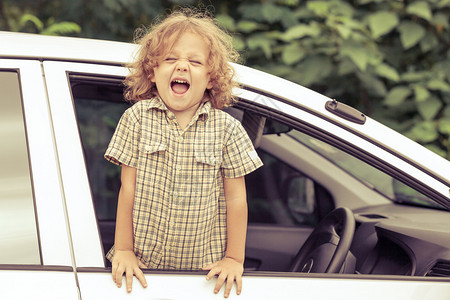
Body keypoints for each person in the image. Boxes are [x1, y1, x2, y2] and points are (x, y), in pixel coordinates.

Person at [104, 8, 263, 298]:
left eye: (195, 61)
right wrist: (124, 250)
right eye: (170, 58)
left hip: (201, 276)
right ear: (152, 72)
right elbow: (128, 189)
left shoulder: (227, 129)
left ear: (212, 78)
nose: (182, 66)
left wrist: (233, 259)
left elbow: (237, 199)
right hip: (143, 270)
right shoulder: (136, 119)